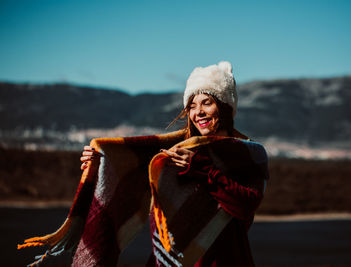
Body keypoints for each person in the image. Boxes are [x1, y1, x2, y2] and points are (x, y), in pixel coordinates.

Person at [79, 61, 268, 266]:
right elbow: (132, 176)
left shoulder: (248, 153)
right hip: (172, 258)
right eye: (192, 106)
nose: (198, 112)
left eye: (207, 103)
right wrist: (101, 164)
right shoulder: (177, 150)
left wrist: (201, 168)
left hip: (224, 259)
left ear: (225, 106)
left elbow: (246, 204)